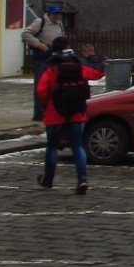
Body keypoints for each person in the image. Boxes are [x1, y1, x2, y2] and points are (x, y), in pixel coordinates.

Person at [35, 44, 104, 196]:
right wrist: (91, 58)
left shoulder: (51, 70)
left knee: (52, 147)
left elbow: (41, 90)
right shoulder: (79, 68)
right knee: (77, 146)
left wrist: (47, 105)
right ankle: (82, 179)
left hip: (55, 115)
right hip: (77, 114)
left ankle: (48, 180)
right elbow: (98, 73)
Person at [22, 4, 66, 119]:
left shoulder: (59, 23)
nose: (56, 17)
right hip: (42, 57)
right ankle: (39, 113)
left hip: (56, 57)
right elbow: (26, 34)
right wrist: (39, 45)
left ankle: (51, 110)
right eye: (54, 14)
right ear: (49, 14)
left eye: (58, 14)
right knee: (41, 84)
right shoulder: (40, 22)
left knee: (54, 84)